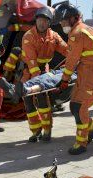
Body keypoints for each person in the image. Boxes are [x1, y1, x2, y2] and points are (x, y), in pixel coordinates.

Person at [55, 3, 93, 155]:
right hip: (88, 72)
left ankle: (81, 142)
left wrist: (64, 79)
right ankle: (88, 130)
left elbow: (71, 60)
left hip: (91, 73)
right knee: (74, 105)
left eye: (63, 21)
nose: (62, 24)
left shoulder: (77, 33)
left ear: (72, 19)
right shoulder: (87, 28)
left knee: (79, 107)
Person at [20, 7, 68, 142]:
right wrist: (38, 82)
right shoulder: (28, 36)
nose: (42, 23)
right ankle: (36, 131)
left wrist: (76, 57)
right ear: (36, 20)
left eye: (45, 21)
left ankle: (47, 129)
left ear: (49, 23)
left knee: (42, 100)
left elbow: (66, 50)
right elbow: (31, 62)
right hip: (29, 71)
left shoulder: (54, 36)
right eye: (39, 20)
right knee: (28, 101)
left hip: (43, 71)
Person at [0, 68, 77, 102]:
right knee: (38, 78)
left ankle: (26, 90)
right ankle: (13, 89)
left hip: (71, 75)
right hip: (61, 71)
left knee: (49, 82)